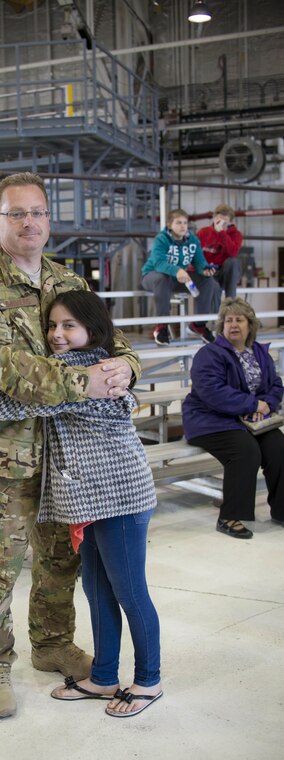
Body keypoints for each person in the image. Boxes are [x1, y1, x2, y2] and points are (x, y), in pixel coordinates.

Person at [0, 172, 141, 720]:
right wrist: (86, 382)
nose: (28, 222)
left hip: (69, 455)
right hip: (7, 458)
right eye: (16, 214)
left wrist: (125, 367)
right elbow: (4, 368)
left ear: (48, 220)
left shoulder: (65, 279)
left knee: (60, 560)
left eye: (37, 212)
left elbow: (114, 341)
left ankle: (52, 642)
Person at [0, 290, 161, 718]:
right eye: (52, 326)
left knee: (130, 592)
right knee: (97, 588)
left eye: (69, 325)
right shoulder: (80, 367)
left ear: (93, 330)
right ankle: (104, 677)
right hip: (87, 499)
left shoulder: (88, 369)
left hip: (119, 497)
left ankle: (148, 680)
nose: (57, 335)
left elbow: (5, 401)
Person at [182, 298, 284, 539]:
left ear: (251, 325)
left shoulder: (259, 352)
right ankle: (229, 516)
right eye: (228, 320)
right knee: (245, 451)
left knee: (278, 446)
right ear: (221, 327)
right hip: (209, 419)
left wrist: (266, 404)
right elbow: (212, 392)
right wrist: (252, 404)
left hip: (249, 420)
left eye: (239, 319)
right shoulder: (209, 354)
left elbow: (276, 384)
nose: (233, 325)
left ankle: (281, 510)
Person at [141, 208, 218, 346]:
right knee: (161, 278)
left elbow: (200, 262)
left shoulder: (193, 240)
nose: (183, 226)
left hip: (177, 278)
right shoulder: (161, 239)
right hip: (152, 276)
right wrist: (177, 270)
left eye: (185, 222)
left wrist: (205, 270)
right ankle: (162, 327)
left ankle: (198, 324)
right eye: (179, 223)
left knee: (208, 281)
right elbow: (158, 263)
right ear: (170, 225)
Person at [197, 204, 243, 299]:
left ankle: (230, 301)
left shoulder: (236, 234)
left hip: (226, 274)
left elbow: (233, 253)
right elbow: (196, 254)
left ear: (230, 222)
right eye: (218, 221)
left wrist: (221, 233)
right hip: (209, 272)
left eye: (224, 223)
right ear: (214, 218)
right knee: (212, 291)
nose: (220, 224)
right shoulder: (203, 233)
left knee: (233, 261)